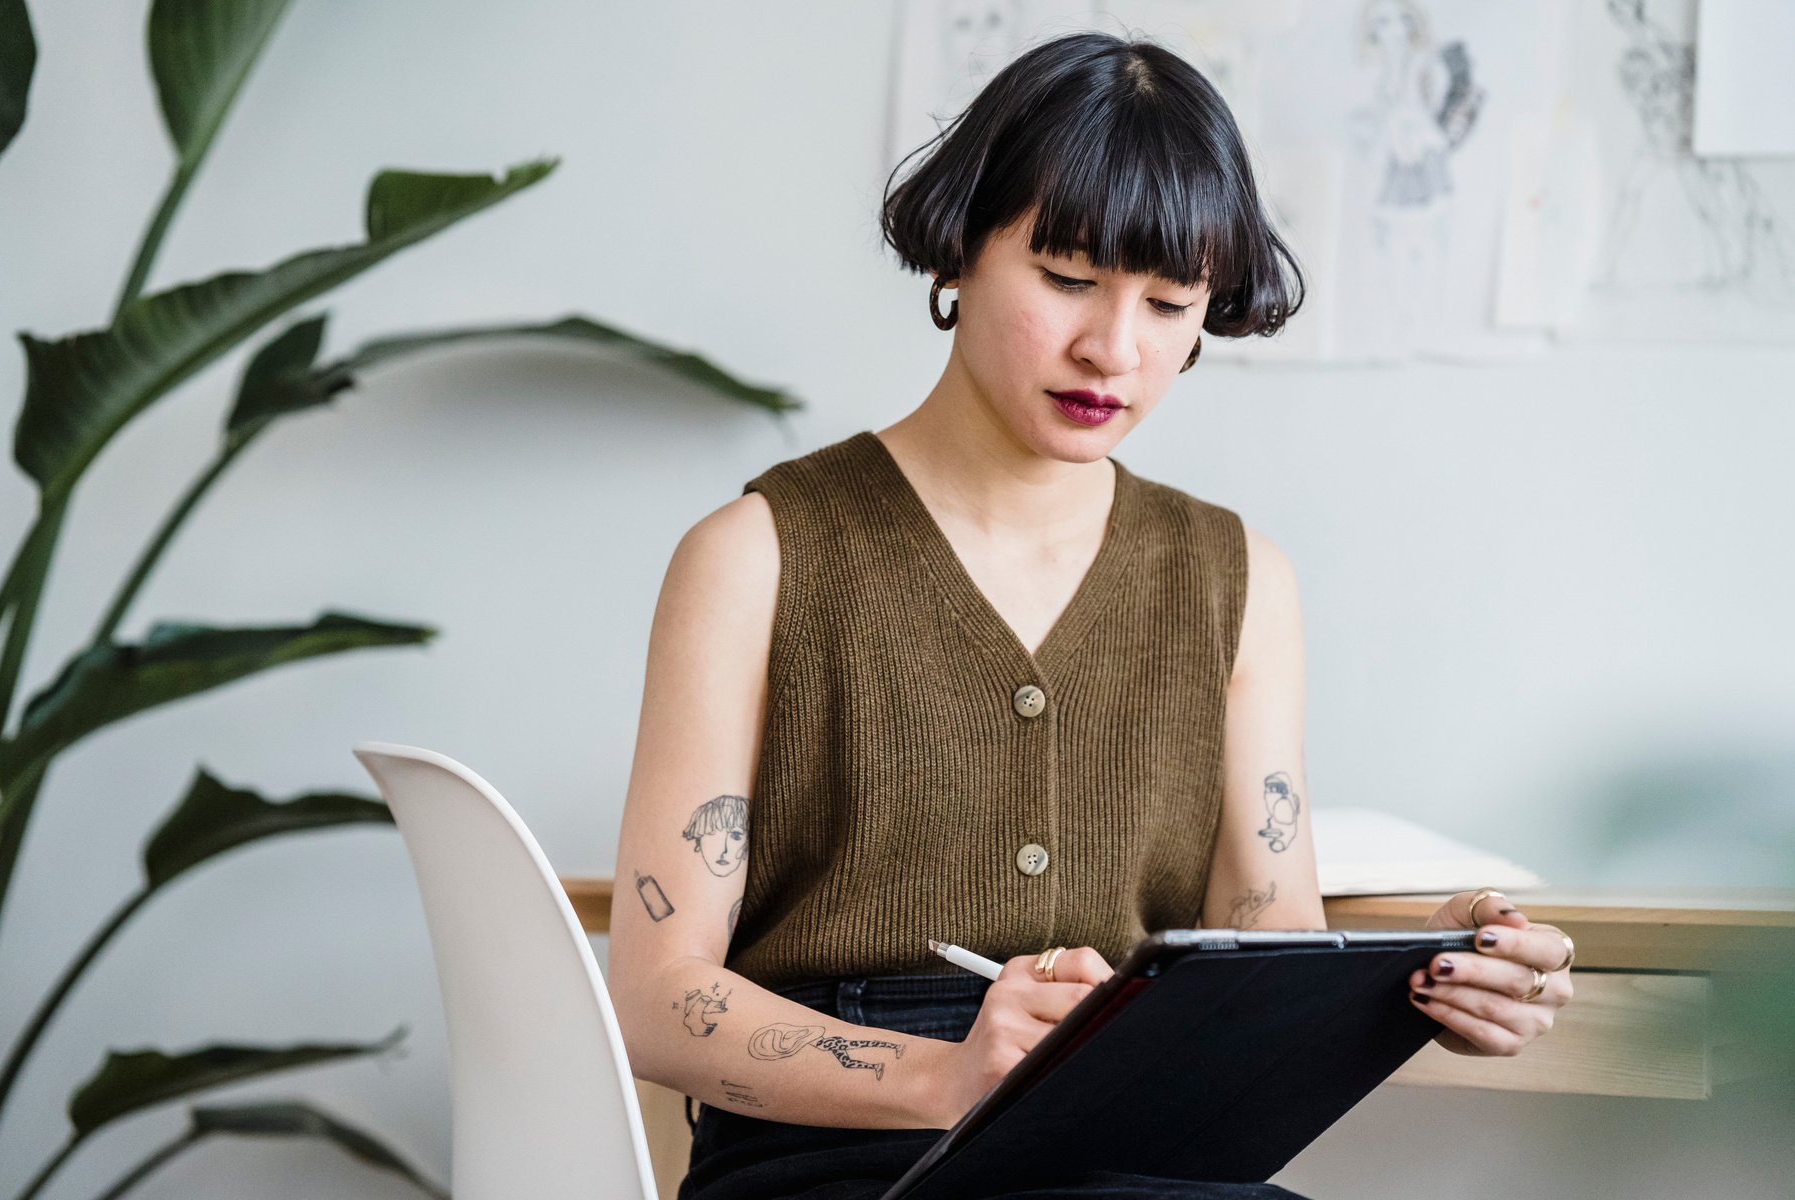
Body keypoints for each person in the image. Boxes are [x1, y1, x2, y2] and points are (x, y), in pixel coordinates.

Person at [608, 29, 1576, 1200]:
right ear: (960, 250)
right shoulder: (757, 555)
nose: (1113, 348)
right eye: (1067, 279)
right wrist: (944, 1075)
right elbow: (659, 1000)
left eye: (1171, 304)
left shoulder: (1237, 577)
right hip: (829, 1160)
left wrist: (1441, 964)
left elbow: (1266, 941)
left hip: (1136, 1143)